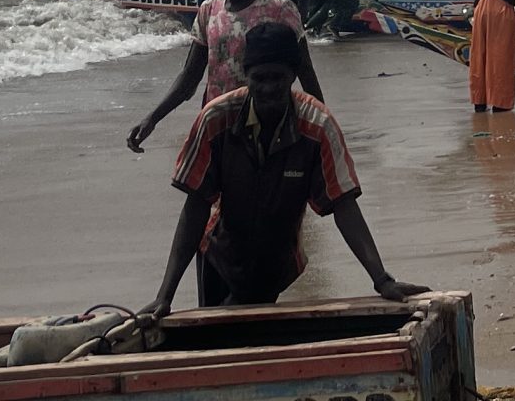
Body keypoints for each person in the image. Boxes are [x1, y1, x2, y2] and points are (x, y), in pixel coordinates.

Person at [144, 22, 424, 314]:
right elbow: (196, 204)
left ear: (292, 75)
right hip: (220, 254)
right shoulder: (216, 119)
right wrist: (166, 296)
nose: (268, 88)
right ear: (245, 75)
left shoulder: (317, 126)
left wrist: (381, 280)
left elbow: (343, 204)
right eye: (259, 78)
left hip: (277, 261)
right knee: (218, 338)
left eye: (277, 78)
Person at [126, 0, 318, 153]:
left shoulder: (279, 9)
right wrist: (153, 118)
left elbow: (306, 71)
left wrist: (321, 125)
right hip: (217, 125)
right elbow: (190, 75)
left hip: (268, 129)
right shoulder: (209, 10)